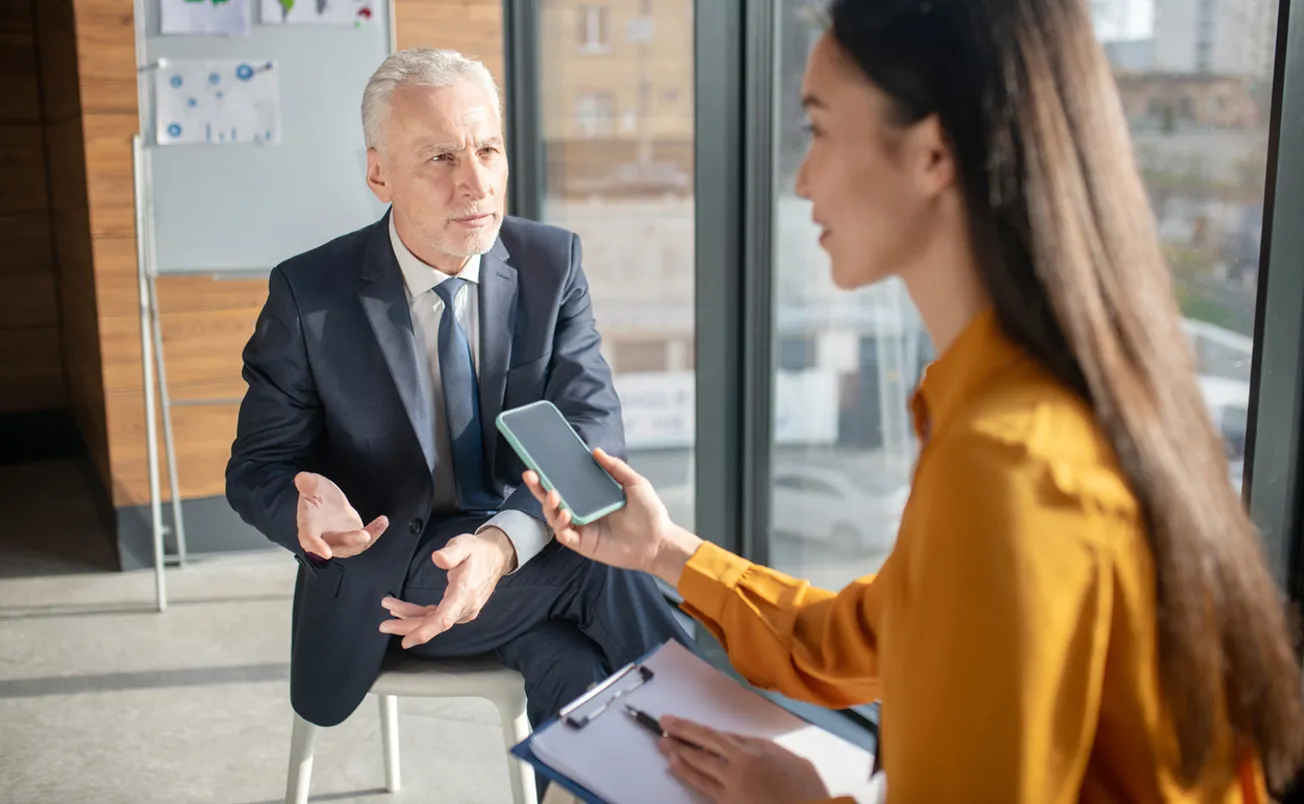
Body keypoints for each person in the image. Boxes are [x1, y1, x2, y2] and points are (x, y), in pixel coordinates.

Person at [522, 1, 1304, 802]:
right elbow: (865, 640)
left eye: (820, 129)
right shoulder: (1038, 403)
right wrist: (663, 551)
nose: (801, 177)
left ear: (934, 152)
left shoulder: (1006, 464)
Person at [225, 46, 691, 765]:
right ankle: (725, 745)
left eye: (487, 149)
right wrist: (301, 505)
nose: (475, 183)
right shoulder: (308, 294)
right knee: (610, 562)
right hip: (393, 574)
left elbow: (593, 429)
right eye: (440, 158)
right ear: (379, 172)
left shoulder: (549, 262)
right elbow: (256, 465)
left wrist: (499, 549)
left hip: (514, 548)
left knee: (572, 667)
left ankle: (657, 767)